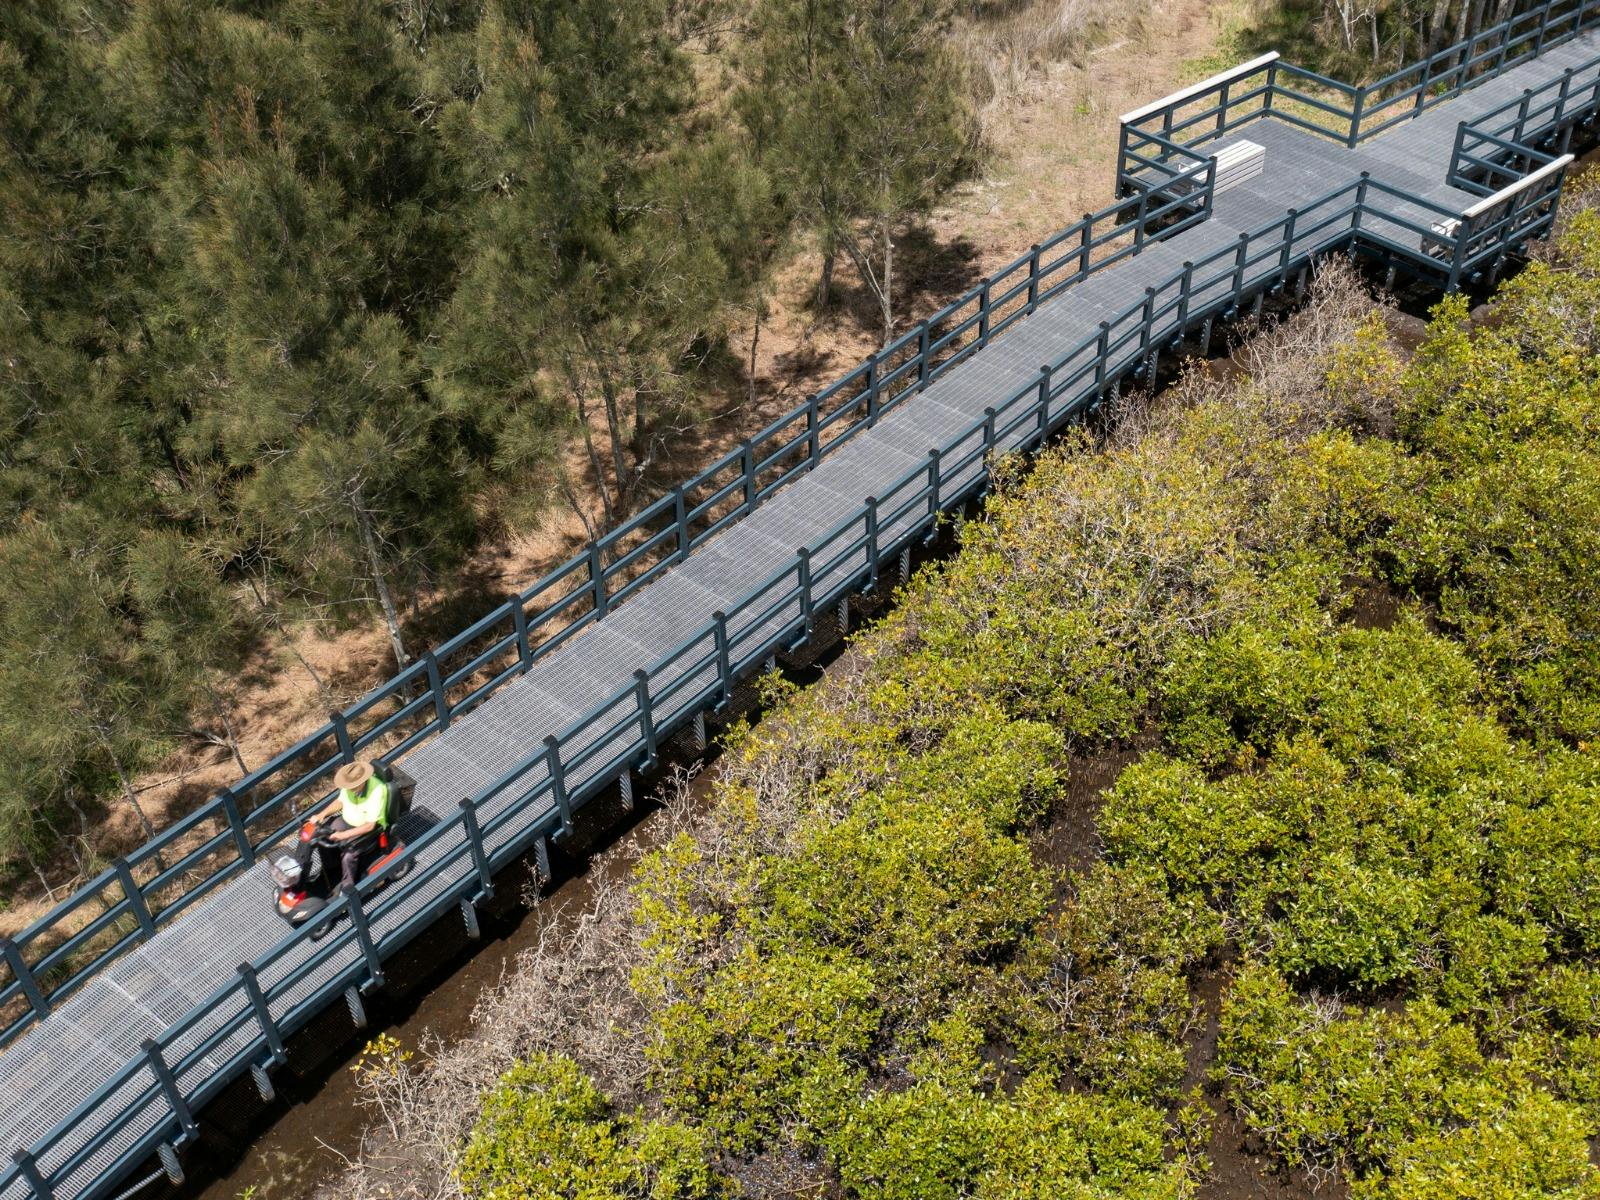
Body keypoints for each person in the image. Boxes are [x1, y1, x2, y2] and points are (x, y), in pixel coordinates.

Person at [295, 759, 390, 891]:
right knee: (322, 834)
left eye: (352, 786)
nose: (348, 789)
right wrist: (322, 814)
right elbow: (340, 801)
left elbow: (370, 826)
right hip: (347, 821)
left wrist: (342, 835)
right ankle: (331, 870)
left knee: (348, 855)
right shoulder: (350, 786)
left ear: (362, 781)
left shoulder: (378, 790)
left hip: (367, 830)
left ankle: (348, 889)